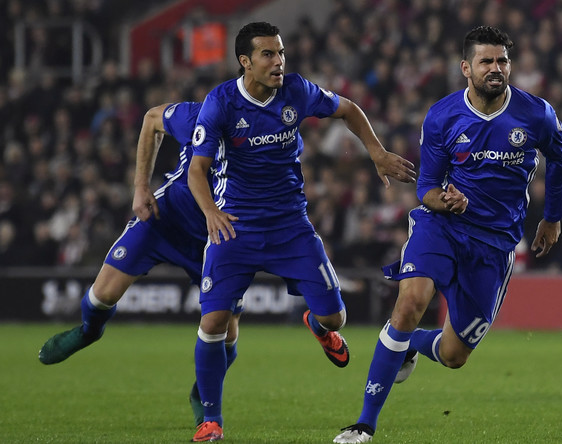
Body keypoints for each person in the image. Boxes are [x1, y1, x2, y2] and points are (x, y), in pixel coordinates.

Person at [334, 26, 562, 443]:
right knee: (410, 303)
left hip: (495, 243)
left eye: (502, 61)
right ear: (466, 68)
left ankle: (411, 345)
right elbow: (426, 186)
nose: (496, 68)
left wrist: (551, 219)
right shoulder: (443, 116)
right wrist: (445, 200)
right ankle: (364, 424)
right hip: (442, 226)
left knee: (454, 355)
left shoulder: (537, 114)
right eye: (486, 61)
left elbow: (560, 159)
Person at [186, 21, 416, 442]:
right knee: (214, 320)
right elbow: (196, 171)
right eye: (268, 54)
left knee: (336, 316)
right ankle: (210, 420)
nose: (278, 61)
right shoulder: (220, 103)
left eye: (281, 52)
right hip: (235, 225)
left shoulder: (296, 90)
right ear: (245, 61)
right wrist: (210, 212)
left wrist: (377, 153)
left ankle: (318, 325)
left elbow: (348, 109)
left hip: (291, 225)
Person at [37, 101, 243, 427]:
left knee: (227, 334)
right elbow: (151, 119)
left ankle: (201, 391)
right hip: (163, 219)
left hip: (214, 237)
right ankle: (89, 331)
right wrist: (141, 186)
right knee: (101, 296)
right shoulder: (201, 116)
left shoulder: (266, 137)